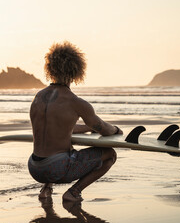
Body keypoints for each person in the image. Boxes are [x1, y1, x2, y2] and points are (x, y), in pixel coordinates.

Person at [28, 41, 123, 202]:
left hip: (34, 167)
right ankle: (73, 192)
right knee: (110, 154)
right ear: (76, 70)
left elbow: (59, 130)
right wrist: (115, 129)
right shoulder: (76, 102)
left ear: (50, 68)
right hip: (56, 168)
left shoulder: (38, 97)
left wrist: (86, 128)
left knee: (62, 150)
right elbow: (104, 130)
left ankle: (46, 189)